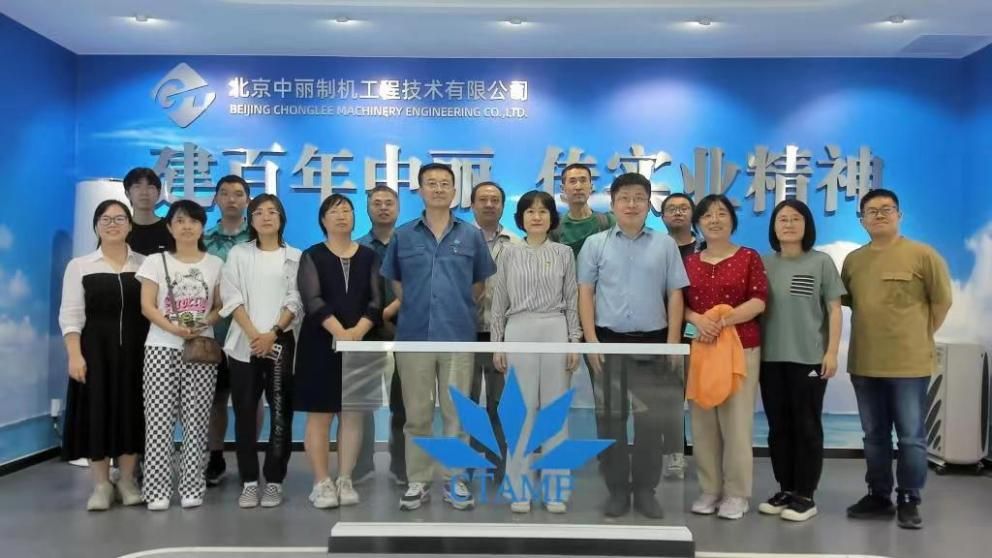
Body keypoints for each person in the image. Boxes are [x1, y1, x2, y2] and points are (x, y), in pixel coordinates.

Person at [381, 163, 496, 511]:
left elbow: (479, 285)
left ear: (454, 191)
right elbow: (396, 282)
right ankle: (418, 481)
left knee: (456, 414)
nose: (438, 188)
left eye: (445, 183)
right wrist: (418, 304)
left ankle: (454, 479)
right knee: (416, 414)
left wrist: (453, 306)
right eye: (431, 183)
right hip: (414, 335)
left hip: (457, 335)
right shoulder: (403, 235)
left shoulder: (471, 235)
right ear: (420, 190)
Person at [577, 173, 689, 519]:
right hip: (607, 343)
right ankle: (616, 490)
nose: (631, 204)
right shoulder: (595, 244)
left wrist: (672, 343)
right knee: (610, 421)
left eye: (639, 197)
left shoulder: (665, 245)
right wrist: (591, 342)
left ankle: (644, 491)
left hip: (654, 343)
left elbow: (675, 293)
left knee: (650, 423)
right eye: (624, 198)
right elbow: (585, 293)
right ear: (612, 204)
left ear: (648, 205)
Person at [841, 189, 952, 530]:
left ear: (899, 215)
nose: (879, 215)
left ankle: (908, 498)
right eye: (871, 211)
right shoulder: (853, 261)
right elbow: (851, 304)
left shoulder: (922, 255)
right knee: (874, 435)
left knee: (910, 437)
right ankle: (878, 495)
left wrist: (917, 335)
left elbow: (941, 302)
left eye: (886, 209)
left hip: (909, 365)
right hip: (865, 362)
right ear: (862, 220)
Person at [490, 190, 580, 514]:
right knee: (521, 412)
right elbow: (499, 300)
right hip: (519, 328)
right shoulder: (508, 253)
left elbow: (572, 299)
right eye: (530, 211)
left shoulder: (564, 253)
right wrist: (498, 343)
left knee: (555, 412)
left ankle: (556, 489)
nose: (537, 216)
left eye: (543, 211)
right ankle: (519, 488)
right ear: (522, 218)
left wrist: (574, 340)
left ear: (552, 217)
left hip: (556, 327)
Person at [758, 199, 844, 522]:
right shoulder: (762, 263)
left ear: (807, 225)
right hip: (769, 359)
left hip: (808, 358)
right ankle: (786, 489)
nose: (789, 224)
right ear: (774, 226)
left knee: (807, 426)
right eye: (782, 219)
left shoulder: (821, 262)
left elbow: (834, 310)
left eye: (796, 218)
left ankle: (806, 496)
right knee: (778, 427)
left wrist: (831, 352)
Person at [60, 200, 149, 511]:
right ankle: (100, 485)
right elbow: (71, 315)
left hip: (138, 352)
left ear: (130, 225)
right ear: (96, 226)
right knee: (95, 413)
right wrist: (74, 355)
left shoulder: (145, 265)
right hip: (94, 352)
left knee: (132, 412)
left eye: (119, 218)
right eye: (106, 219)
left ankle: (126, 480)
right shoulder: (80, 266)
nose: (113, 224)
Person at [683, 193, 768, 520]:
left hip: (741, 348)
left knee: (736, 423)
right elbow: (680, 304)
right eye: (707, 215)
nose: (714, 220)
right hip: (702, 347)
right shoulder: (690, 262)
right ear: (698, 223)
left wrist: (721, 321)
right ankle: (710, 489)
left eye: (722, 213)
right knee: (702, 422)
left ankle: (736, 493)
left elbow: (759, 300)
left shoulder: (749, 257)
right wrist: (697, 319)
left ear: (732, 220)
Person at [136, 200, 224, 511]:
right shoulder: (154, 262)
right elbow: (147, 306)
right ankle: (156, 490)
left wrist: (204, 322)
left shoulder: (215, 264)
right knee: (158, 420)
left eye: (194, 221)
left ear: (202, 227)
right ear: (170, 227)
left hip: (201, 349)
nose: (187, 226)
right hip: (161, 347)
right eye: (180, 221)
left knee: (196, 420)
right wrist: (173, 328)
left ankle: (191, 486)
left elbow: (220, 305)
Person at [295, 194, 382, 509]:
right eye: (334, 211)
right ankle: (321, 482)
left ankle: (345, 478)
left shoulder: (370, 256)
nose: (342, 215)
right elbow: (313, 300)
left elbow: (376, 300)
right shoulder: (312, 255)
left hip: (361, 343)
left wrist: (356, 333)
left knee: (352, 414)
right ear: (323, 220)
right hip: (319, 343)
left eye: (347, 210)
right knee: (320, 415)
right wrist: (341, 333)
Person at [219, 194, 302, 509]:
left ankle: (275, 480)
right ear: (250, 220)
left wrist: (273, 334)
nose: (266, 217)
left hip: (280, 342)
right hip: (245, 344)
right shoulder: (239, 254)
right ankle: (249, 481)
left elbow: (296, 299)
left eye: (272, 212)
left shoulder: (294, 256)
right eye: (259, 213)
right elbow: (231, 296)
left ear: (281, 219)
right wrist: (255, 335)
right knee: (244, 412)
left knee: (281, 413)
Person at [470, 180, 521, 483]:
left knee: (500, 403)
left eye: (495, 200)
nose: (489, 204)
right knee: (465, 401)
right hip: (465, 333)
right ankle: (465, 466)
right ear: (472, 205)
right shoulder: (460, 238)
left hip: (504, 335)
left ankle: (499, 464)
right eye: (483, 199)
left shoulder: (516, 243)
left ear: (503, 205)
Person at [204, 175, 253, 487]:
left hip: (251, 333)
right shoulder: (203, 240)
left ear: (248, 200)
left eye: (238, 194)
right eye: (224, 193)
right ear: (216, 200)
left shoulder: (259, 236)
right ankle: (216, 456)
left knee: (251, 399)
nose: (231, 199)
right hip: (213, 334)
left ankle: (251, 456)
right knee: (215, 399)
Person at [357, 185, 405, 485]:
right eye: (377, 203)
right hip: (366, 332)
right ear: (368, 209)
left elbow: (416, 284)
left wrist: (389, 313)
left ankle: (401, 465)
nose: (383, 208)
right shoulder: (357, 247)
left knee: (403, 402)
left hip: (406, 330)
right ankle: (361, 464)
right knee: (362, 403)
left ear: (398, 208)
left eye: (389, 203)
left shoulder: (410, 243)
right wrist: (377, 317)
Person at [658, 192, 699, 480]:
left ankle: (710, 455)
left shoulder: (705, 248)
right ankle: (675, 451)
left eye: (684, 208)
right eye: (671, 208)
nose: (678, 212)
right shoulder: (655, 247)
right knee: (669, 396)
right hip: (661, 330)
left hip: (701, 331)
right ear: (662, 216)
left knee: (701, 395)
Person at [551, 163, 615, 257]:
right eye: (573, 181)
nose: (578, 187)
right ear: (563, 188)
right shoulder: (555, 227)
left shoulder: (608, 222)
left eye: (583, 181)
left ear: (591, 187)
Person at [123, 167, 171, 255]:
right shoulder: (120, 230)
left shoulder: (171, 229)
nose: (144, 192)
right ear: (127, 193)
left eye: (150, 187)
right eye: (137, 187)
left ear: (159, 193)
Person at [661, 193, 698, 259]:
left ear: (693, 215)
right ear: (663, 217)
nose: (677, 213)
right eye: (672, 209)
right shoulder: (654, 248)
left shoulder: (706, 247)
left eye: (684, 209)